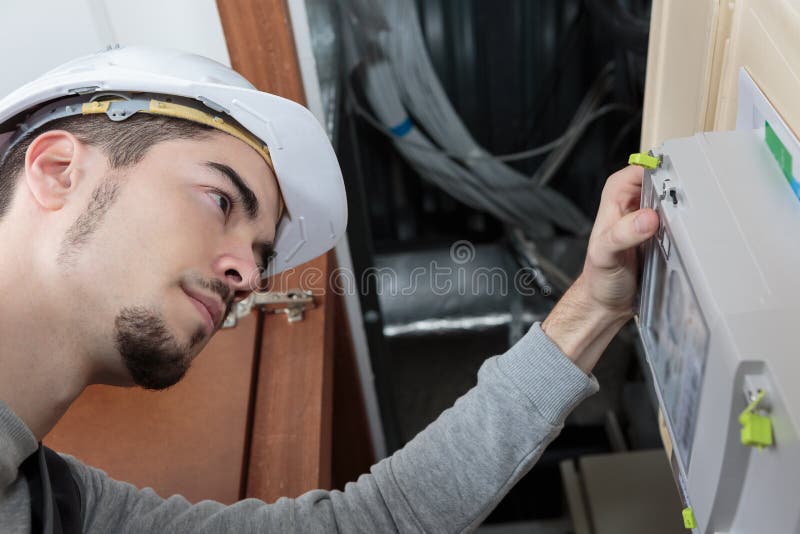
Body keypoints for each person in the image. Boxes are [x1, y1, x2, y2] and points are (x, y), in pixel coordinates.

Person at [0, 46, 659, 533]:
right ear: (59, 170)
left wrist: (595, 306)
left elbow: (378, 519)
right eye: (221, 199)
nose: (251, 278)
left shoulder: (65, 510)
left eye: (262, 253)